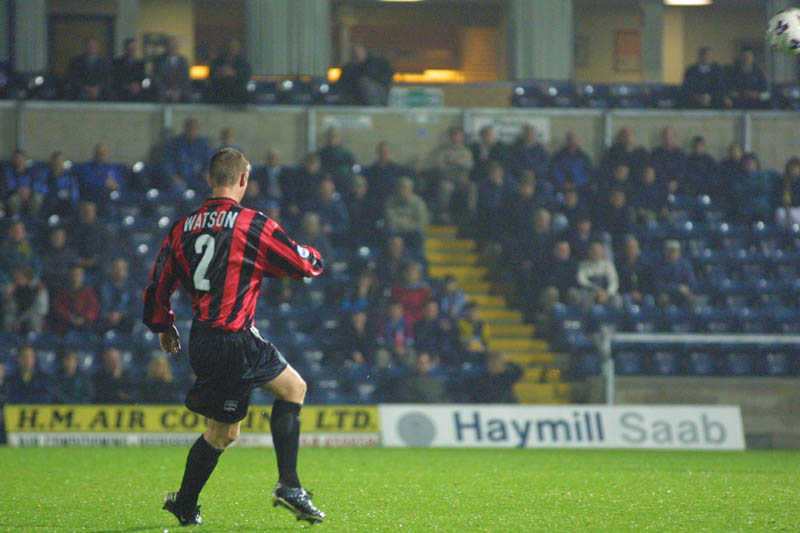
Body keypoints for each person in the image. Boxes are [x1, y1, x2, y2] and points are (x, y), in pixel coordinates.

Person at [142, 148, 326, 525]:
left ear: (209, 179)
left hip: (203, 339)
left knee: (223, 432)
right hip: (234, 338)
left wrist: (162, 324)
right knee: (293, 390)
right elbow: (301, 263)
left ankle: (184, 503)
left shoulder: (183, 227)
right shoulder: (251, 224)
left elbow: (158, 283)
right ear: (243, 180)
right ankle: (289, 486)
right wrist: (314, 256)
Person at [434, 126, 475, 222]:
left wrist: (456, 162)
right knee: (445, 187)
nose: (456, 138)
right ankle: (443, 213)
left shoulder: (466, 151)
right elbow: (439, 166)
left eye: (458, 136)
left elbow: (469, 166)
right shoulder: (443, 151)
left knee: (472, 187)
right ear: (450, 137)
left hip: (462, 180)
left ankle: (471, 212)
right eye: (454, 135)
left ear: (462, 137)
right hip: (448, 179)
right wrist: (454, 166)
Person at [161, 118, 214, 192]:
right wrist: (173, 176)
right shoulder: (175, 143)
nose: (191, 132)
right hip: (180, 178)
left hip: (199, 178)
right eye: (189, 129)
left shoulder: (203, 144)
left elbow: (210, 161)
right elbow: (168, 163)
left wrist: (207, 173)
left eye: (194, 129)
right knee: (178, 188)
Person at [363, 140, 414, 208]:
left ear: (390, 153)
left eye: (386, 152)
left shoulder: (400, 171)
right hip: (375, 207)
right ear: (378, 153)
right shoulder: (370, 172)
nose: (384, 154)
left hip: (395, 206)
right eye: (381, 152)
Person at [384, 177, 429, 252]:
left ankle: (419, 259)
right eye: (401, 188)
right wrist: (409, 222)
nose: (403, 191)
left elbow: (421, 222)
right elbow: (391, 222)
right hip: (396, 232)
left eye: (405, 188)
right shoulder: (390, 202)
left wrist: (401, 222)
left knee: (419, 235)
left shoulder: (418, 202)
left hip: (412, 233)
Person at [52, 265, 100, 334]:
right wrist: (69, 317)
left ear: (83, 277)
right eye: (73, 275)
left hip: (84, 325)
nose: (75, 277)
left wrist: (84, 318)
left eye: (78, 275)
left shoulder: (88, 293)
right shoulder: (62, 292)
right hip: (66, 325)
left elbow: (93, 308)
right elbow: (58, 307)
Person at [3, 266, 48, 335]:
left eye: (18, 278)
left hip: (33, 315)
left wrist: (22, 319)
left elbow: (41, 309)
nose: (15, 280)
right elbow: (10, 309)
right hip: (18, 315)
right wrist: (9, 297)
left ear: (26, 278)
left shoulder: (39, 288)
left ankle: (33, 342)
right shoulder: (15, 288)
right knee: (8, 319)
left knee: (33, 320)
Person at [68, 200, 108, 275]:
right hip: (75, 265)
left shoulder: (103, 230)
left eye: (89, 211)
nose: (87, 214)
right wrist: (77, 259)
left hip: (98, 266)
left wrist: (95, 260)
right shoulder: (71, 228)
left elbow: (107, 249)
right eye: (84, 211)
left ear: (94, 212)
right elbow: (69, 246)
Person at [576, 241, 620, 308]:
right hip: (590, 291)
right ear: (589, 252)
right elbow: (581, 280)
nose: (596, 253)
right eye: (593, 251)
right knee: (584, 296)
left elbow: (613, 282)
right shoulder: (583, 264)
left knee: (617, 299)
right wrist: (595, 289)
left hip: (606, 292)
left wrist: (607, 294)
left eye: (598, 251)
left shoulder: (608, 264)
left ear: (603, 252)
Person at [99, 258, 137, 333]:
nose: (118, 272)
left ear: (126, 271)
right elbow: (97, 306)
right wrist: (108, 314)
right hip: (105, 321)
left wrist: (121, 314)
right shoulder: (101, 287)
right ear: (111, 270)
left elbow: (136, 308)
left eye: (121, 269)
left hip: (125, 321)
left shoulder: (133, 289)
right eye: (115, 268)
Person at [654, 240, 696, 308]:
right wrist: (677, 288)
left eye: (674, 251)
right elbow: (659, 286)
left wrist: (685, 289)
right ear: (665, 252)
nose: (672, 254)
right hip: (667, 294)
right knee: (663, 299)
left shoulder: (686, 265)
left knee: (691, 298)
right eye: (670, 251)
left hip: (682, 295)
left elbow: (691, 284)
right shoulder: (659, 266)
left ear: (679, 252)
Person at [67, 36, 111, 101]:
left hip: (101, 92)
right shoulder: (75, 62)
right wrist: (86, 88)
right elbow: (72, 78)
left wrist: (97, 88)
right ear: (84, 47)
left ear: (98, 47)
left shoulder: (106, 62)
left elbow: (108, 78)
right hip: (80, 91)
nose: (91, 48)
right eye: (89, 46)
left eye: (93, 46)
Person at [616, 236, 654, 308]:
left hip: (643, 293)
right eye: (629, 247)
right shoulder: (619, 265)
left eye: (633, 247)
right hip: (626, 293)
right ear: (625, 249)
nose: (631, 250)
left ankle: (648, 319)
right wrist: (630, 293)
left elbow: (649, 282)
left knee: (649, 299)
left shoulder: (645, 264)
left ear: (637, 249)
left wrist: (641, 293)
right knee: (626, 299)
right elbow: (619, 283)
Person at [4, 149, 45, 216]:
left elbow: (38, 184)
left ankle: (33, 218)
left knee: (38, 198)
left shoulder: (33, 171)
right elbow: (9, 185)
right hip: (16, 194)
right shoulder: (9, 172)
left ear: (25, 159)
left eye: (21, 158)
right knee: (13, 200)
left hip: (30, 194)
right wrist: (18, 191)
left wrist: (30, 191)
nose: (19, 161)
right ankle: (16, 218)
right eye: (16, 158)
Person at [731, 154, 772, 223]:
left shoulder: (763, 177)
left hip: (760, 208)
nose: (749, 165)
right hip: (744, 208)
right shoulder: (739, 178)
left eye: (751, 163)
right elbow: (738, 191)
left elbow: (764, 189)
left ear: (756, 164)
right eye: (746, 163)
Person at [209, 40, 251, 104]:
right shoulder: (217, 61)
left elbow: (245, 77)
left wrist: (233, 73)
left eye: (235, 47)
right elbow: (211, 76)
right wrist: (220, 73)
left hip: (238, 95)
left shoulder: (243, 63)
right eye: (230, 47)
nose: (232, 49)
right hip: (219, 93)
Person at [0, 219, 41, 284]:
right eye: (14, 231)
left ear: (24, 232)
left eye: (19, 231)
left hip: (28, 279)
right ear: (10, 232)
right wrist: (7, 281)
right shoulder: (3, 248)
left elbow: (37, 265)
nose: (17, 233)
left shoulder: (30, 247)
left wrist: (34, 278)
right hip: (9, 281)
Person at [390, 261, 432, 326]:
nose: (411, 273)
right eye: (408, 271)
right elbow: (395, 307)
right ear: (403, 273)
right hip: (400, 322)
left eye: (414, 271)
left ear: (419, 274)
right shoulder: (396, 289)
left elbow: (426, 308)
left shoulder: (424, 291)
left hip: (420, 322)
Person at [40, 152, 80, 216]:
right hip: (49, 200)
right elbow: (40, 187)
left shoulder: (69, 177)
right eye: (55, 162)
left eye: (59, 162)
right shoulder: (45, 175)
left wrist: (65, 195)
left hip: (64, 201)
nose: (57, 164)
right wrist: (50, 194)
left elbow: (75, 193)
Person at [318, 127, 356, 192]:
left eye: (334, 136)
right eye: (329, 136)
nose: (332, 139)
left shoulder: (346, 153)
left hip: (344, 183)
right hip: (326, 184)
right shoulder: (320, 154)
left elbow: (354, 167)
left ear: (339, 138)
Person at [40, 226, 78, 291]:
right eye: (56, 237)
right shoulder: (45, 254)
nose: (58, 239)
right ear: (51, 238)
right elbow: (45, 272)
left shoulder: (70, 254)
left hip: (67, 286)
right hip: (50, 286)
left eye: (60, 237)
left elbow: (74, 269)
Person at [650, 127, 686, 194]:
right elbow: (656, 170)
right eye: (665, 138)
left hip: (678, 185)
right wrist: (666, 183)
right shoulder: (656, 153)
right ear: (662, 139)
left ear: (675, 138)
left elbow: (683, 170)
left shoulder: (681, 154)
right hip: (660, 185)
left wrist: (676, 182)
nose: (668, 140)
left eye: (670, 137)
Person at [154, 36, 190, 103]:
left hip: (181, 97)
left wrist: (178, 93)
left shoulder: (183, 61)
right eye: (170, 45)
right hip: (163, 97)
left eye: (174, 45)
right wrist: (168, 93)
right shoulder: (159, 61)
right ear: (166, 46)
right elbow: (157, 79)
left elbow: (186, 80)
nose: (173, 47)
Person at [773, 157, 800, 227]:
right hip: (784, 207)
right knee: (779, 213)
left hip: (796, 208)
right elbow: (777, 195)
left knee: (793, 215)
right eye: (791, 168)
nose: (793, 170)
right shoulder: (783, 182)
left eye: (795, 168)